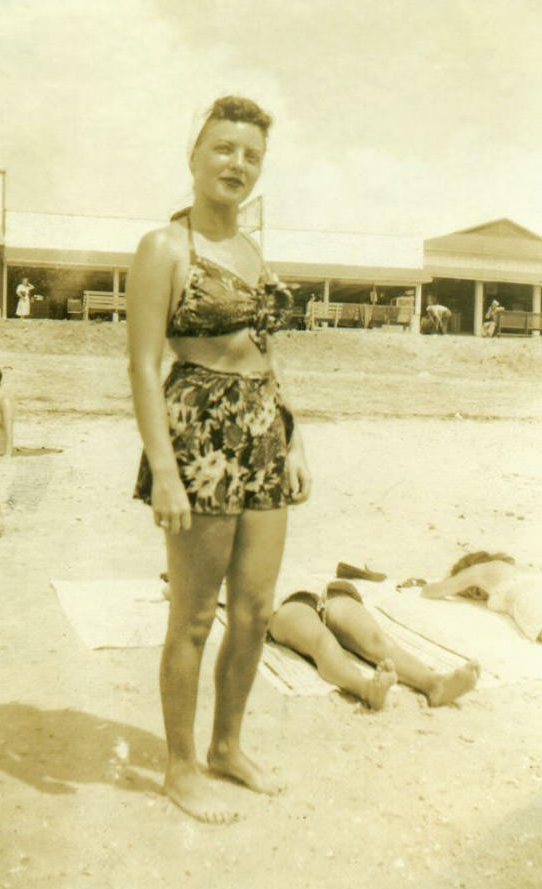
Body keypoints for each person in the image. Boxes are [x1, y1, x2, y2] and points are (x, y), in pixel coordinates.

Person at [126, 96, 311, 824]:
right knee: (196, 614)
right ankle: (179, 766)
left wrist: (293, 436)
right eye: (224, 148)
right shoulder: (164, 247)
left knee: (257, 609)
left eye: (251, 155)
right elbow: (142, 366)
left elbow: (266, 354)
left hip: (263, 429)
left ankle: (227, 745)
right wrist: (164, 469)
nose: (237, 163)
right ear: (195, 156)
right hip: (197, 431)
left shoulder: (252, 251)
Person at [268, 581, 480, 709]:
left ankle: (434, 684)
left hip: (335, 591)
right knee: (322, 642)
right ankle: (365, 689)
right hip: (289, 602)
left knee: (375, 639)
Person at [421, 551, 542, 642]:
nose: (473, 593)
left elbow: (431, 591)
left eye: (470, 588)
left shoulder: (477, 571)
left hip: (530, 600)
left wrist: (423, 584)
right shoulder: (517, 568)